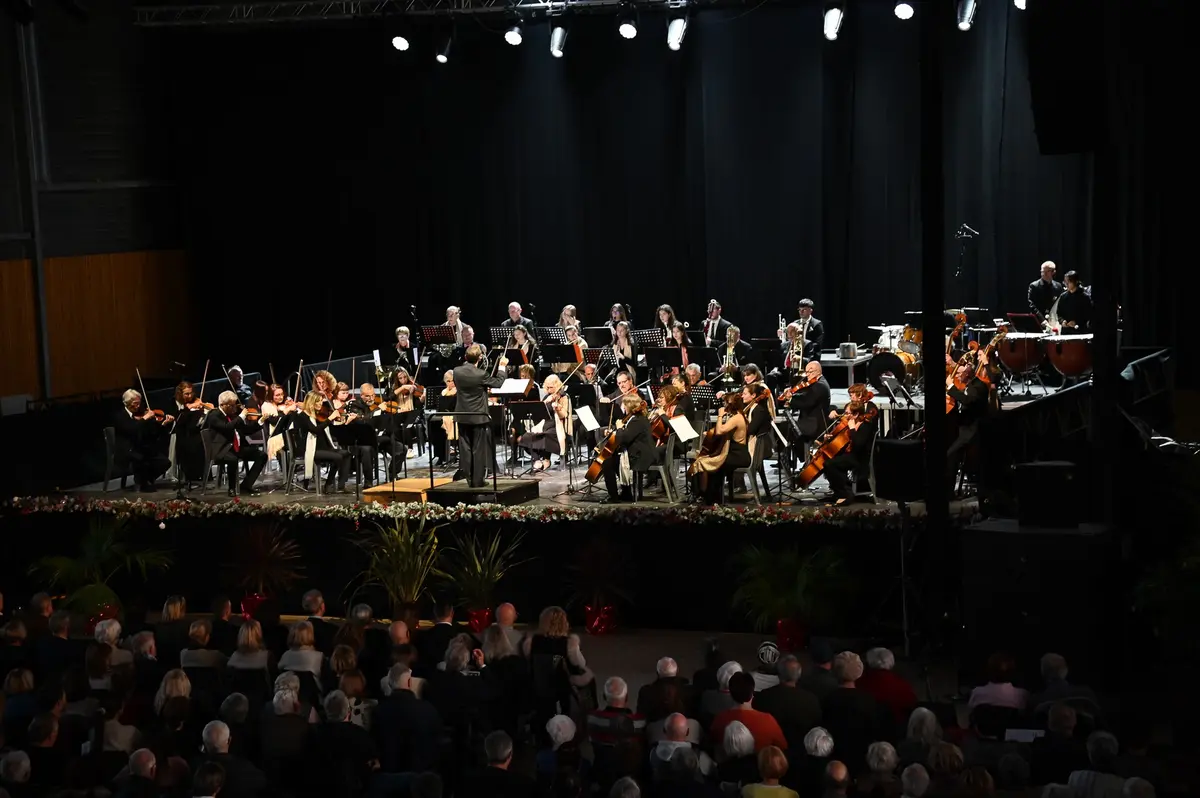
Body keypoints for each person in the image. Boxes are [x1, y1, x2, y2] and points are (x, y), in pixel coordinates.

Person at [453, 344, 510, 487]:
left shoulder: (456, 371)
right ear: (479, 358)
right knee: (478, 450)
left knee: (465, 448)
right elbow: (498, 383)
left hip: (462, 415)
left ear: (466, 357)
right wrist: (502, 366)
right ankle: (478, 481)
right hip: (478, 416)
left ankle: (469, 478)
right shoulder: (480, 374)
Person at [947, 351, 999, 488]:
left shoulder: (978, 386)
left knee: (950, 455)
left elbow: (967, 400)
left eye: (959, 374)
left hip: (973, 431)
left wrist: (951, 387)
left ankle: (947, 491)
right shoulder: (970, 385)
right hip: (965, 428)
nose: (957, 376)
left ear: (968, 373)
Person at [822, 384, 879, 505]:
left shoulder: (868, 415)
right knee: (827, 459)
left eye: (852, 395)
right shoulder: (855, 410)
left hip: (861, 454)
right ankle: (839, 491)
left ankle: (845, 493)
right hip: (852, 450)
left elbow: (859, 442)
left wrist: (853, 428)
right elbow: (845, 414)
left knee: (830, 464)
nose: (850, 398)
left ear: (859, 395)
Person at [205, 391, 269, 496]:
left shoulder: (233, 415)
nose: (234, 407)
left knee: (261, 455)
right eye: (231, 405)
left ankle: (246, 485)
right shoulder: (214, 415)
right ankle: (231, 488)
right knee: (232, 458)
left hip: (237, 447)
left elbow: (246, 430)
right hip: (223, 449)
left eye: (235, 404)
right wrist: (241, 417)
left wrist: (260, 421)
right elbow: (226, 427)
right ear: (222, 405)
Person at [599, 394, 658, 503]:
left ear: (630, 406)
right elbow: (627, 433)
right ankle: (626, 493)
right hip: (638, 452)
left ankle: (614, 496)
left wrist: (619, 428)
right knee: (614, 461)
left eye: (624, 405)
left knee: (607, 462)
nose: (623, 408)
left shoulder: (637, 420)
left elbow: (624, 438)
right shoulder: (636, 418)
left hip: (640, 456)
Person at [113, 389, 174, 492]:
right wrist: (144, 418)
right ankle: (143, 482)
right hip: (128, 448)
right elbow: (132, 430)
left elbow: (153, 433)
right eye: (135, 404)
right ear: (126, 403)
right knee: (141, 459)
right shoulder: (120, 416)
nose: (138, 406)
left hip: (143, 448)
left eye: (139, 403)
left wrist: (163, 425)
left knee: (165, 462)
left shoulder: (142, 413)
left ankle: (145, 480)